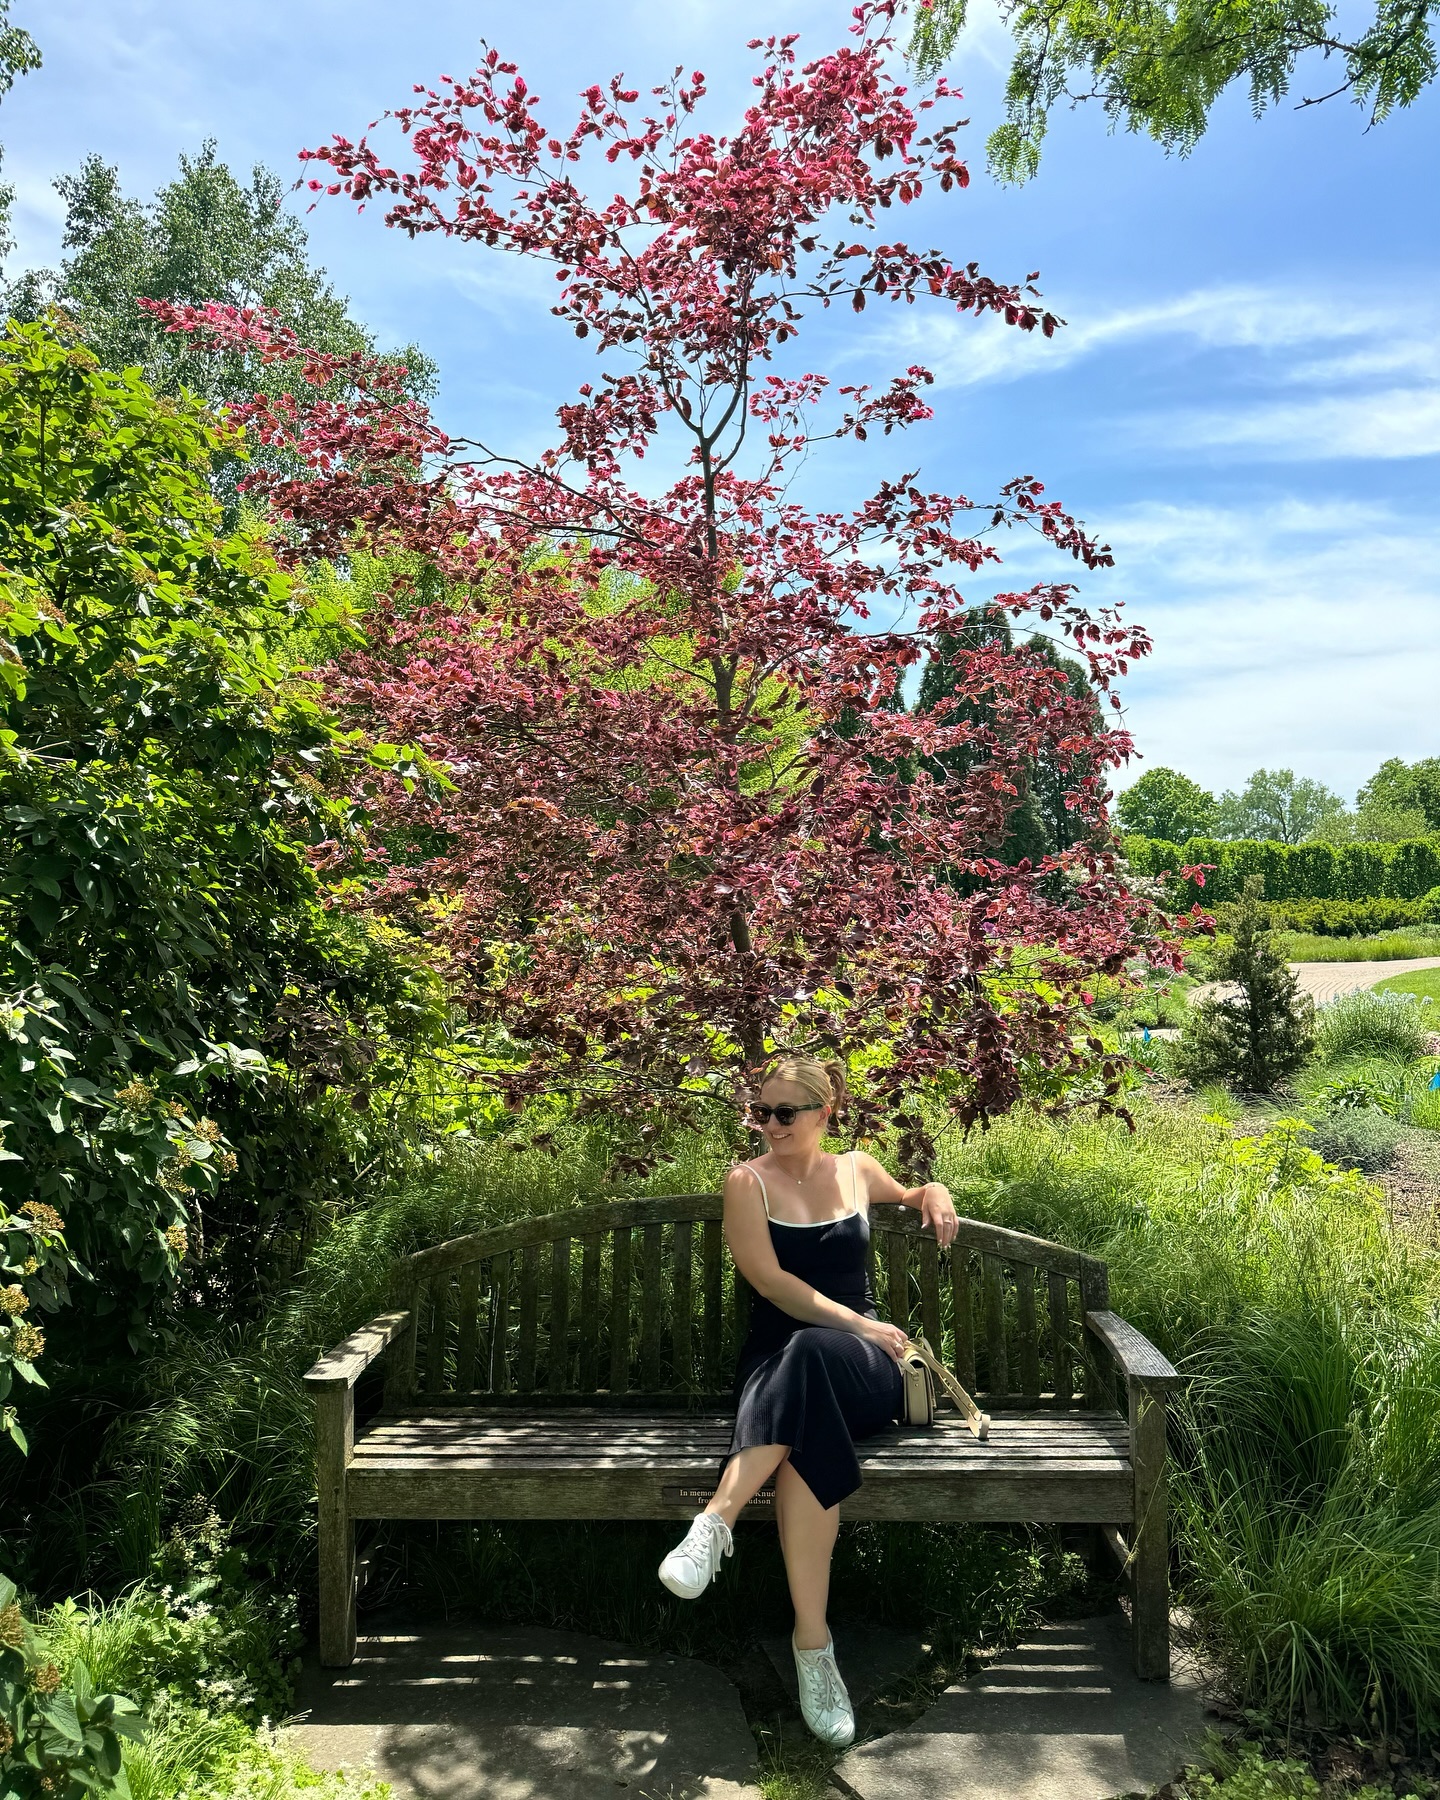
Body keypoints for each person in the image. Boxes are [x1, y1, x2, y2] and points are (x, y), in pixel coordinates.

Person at [657, 1055, 960, 1747]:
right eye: (759, 1111)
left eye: (784, 1113)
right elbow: (771, 1284)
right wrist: (855, 1320)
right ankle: (814, 1650)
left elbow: (910, 1192)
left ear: (826, 1114)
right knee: (802, 1393)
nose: (768, 1124)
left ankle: (714, 1524)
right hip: (782, 1366)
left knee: (813, 1354)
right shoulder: (746, 1182)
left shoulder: (856, 1168)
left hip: (864, 1366)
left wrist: (932, 1189)